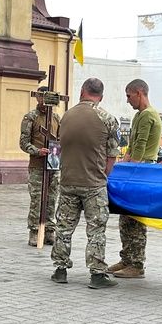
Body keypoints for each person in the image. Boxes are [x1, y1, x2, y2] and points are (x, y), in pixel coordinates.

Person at [49, 77, 122, 289]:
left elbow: (59, 147)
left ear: (82, 91)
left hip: (68, 181)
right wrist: (102, 176)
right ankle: (97, 274)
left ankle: (60, 270)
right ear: (101, 96)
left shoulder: (66, 117)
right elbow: (112, 156)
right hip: (93, 184)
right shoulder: (107, 119)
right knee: (96, 230)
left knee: (64, 227)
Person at [109, 78, 162, 279]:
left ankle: (137, 263)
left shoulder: (148, 115)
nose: (127, 100)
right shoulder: (139, 115)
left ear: (139, 93)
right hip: (135, 170)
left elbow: (140, 147)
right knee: (126, 217)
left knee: (135, 218)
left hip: (141, 171)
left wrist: (129, 168)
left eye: (129, 96)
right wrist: (124, 164)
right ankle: (127, 258)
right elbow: (132, 146)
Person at [20, 86, 62, 246]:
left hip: (53, 165)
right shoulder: (30, 117)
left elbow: (60, 139)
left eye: (48, 97)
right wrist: (37, 151)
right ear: (38, 98)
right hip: (37, 166)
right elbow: (23, 142)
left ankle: (50, 230)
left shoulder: (57, 118)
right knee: (37, 199)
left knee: (52, 198)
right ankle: (34, 231)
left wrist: (57, 150)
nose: (44, 101)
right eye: (42, 97)